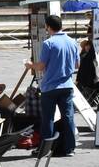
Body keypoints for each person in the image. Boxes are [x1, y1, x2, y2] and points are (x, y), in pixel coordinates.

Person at [25, 15, 81, 157]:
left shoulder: (49, 43)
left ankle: (44, 149)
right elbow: (77, 65)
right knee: (68, 116)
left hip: (50, 87)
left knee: (48, 118)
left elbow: (42, 66)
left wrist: (30, 65)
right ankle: (70, 148)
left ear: (48, 27)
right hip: (67, 85)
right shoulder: (73, 42)